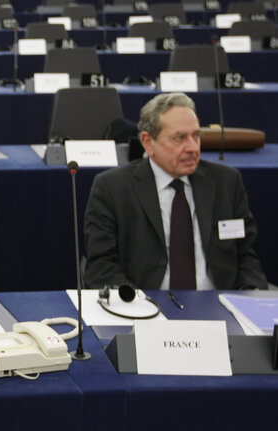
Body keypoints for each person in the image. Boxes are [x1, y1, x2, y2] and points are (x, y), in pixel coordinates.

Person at [84, 92, 267, 290]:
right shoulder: (112, 188)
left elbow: (245, 256)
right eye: (179, 138)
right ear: (148, 142)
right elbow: (101, 266)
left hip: (219, 304)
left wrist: (250, 295)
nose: (192, 148)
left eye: (196, 136)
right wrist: (137, 305)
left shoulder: (227, 182)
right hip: (145, 306)